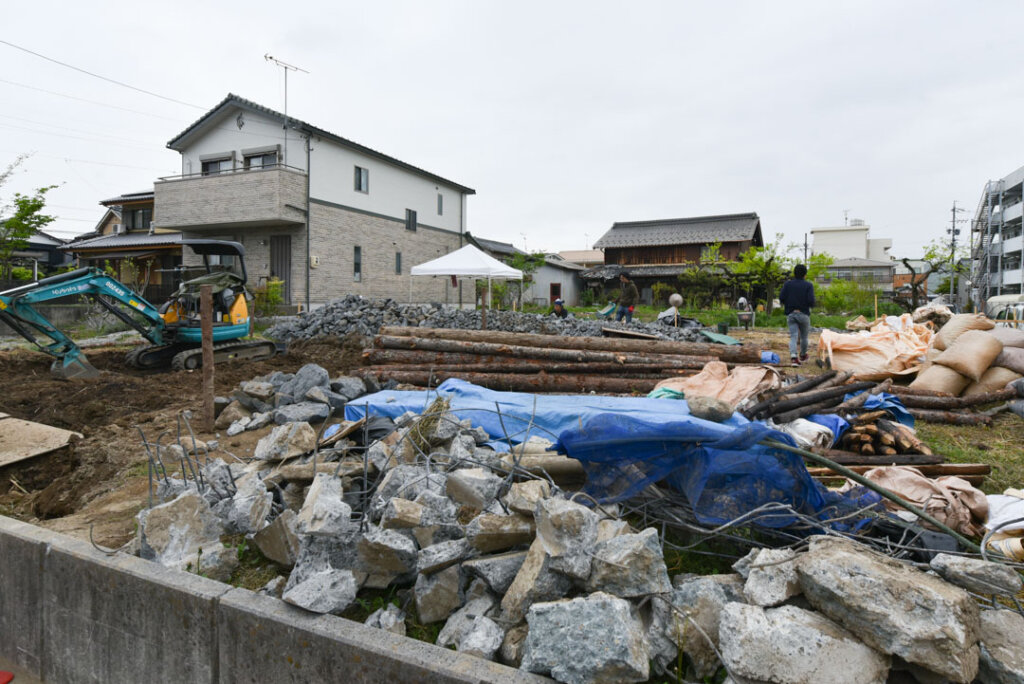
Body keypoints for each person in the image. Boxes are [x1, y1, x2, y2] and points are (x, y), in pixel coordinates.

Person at [779, 264, 815, 366]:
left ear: (794, 273)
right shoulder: (808, 285)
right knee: (804, 337)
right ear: (805, 275)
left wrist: (788, 304)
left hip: (791, 314)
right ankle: (803, 355)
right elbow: (811, 301)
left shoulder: (787, 284)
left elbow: (781, 298)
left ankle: (794, 357)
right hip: (803, 314)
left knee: (793, 336)